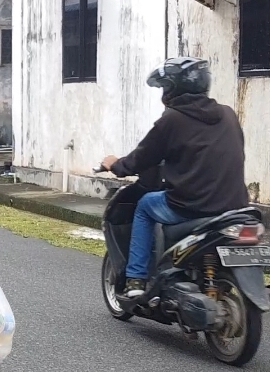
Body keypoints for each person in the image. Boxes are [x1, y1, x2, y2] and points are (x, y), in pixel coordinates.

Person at [100, 57, 248, 300]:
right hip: (236, 205)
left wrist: (115, 164)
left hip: (192, 206)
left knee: (145, 206)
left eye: (165, 88)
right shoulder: (228, 114)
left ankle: (136, 278)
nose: (163, 94)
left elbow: (142, 157)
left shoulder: (172, 119)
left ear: (173, 89)